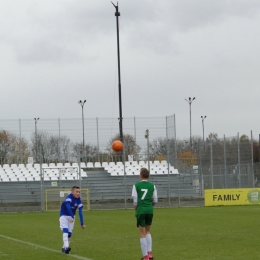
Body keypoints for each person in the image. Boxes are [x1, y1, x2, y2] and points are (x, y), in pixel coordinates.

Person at [132, 167, 158, 260]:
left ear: (140, 175)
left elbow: (135, 202)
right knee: (148, 231)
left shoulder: (136, 185)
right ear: (149, 176)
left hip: (141, 209)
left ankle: (145, 256)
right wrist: (149, 205)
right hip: (149, 209)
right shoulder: (153, 186)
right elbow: (155, 200)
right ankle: (150, 253)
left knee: (142, 233)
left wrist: (136, 210)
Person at [59, 186, 86, 254]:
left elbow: (80, 212)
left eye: (79, 192)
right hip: (64, 216)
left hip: (72, 217)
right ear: (72, 192)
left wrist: (82, 223)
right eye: (76, 192)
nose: (78, 193)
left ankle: (64, 247)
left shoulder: (79, 200)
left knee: (69, 234)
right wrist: (71, 216)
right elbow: (68, 206)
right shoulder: (69, 197)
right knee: (65, 230)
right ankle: (67, 247)